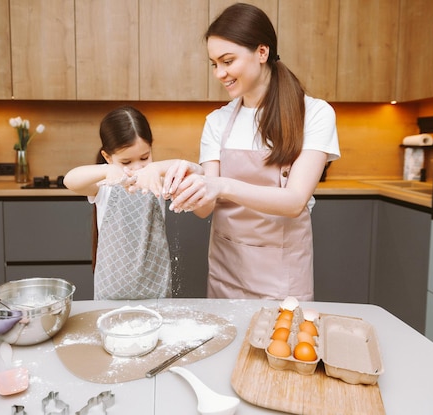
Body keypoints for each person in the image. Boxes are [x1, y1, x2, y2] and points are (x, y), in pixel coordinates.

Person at [130, 3, 340, 300]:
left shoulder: (314, 114)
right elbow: (205, 208)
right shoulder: (217, 121)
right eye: (214, 64)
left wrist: (221, 185)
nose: (220, 73)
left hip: (282, 276)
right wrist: (183, 179)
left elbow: (294, 201)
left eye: (228, 61)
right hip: (226, 272)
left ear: (262, 53)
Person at [63, 106, 178, 300]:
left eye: (144, 157)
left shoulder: (156, 179)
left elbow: (194, 172)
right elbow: (70, 180)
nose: (137, 168)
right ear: (108, 157)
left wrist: (156, 167)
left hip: (155, 292)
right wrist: (106, 171)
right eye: (126, 162)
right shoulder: (103, 187)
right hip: (111, 294)